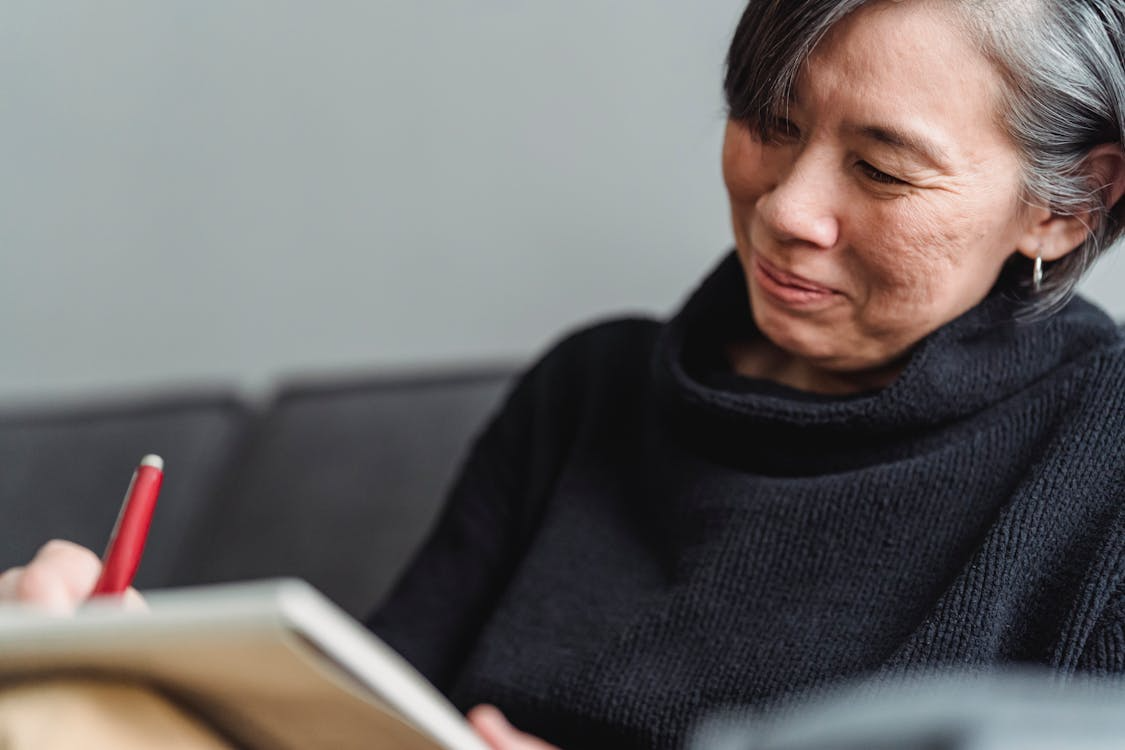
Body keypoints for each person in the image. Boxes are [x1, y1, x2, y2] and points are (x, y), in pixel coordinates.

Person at [5, 0, 1125, 748]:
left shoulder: (1100, 453)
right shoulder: (591, 388)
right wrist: (113, 673)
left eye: (881, 169)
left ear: (1068, 201)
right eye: (766, 122)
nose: (785, 210)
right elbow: (356, 713)